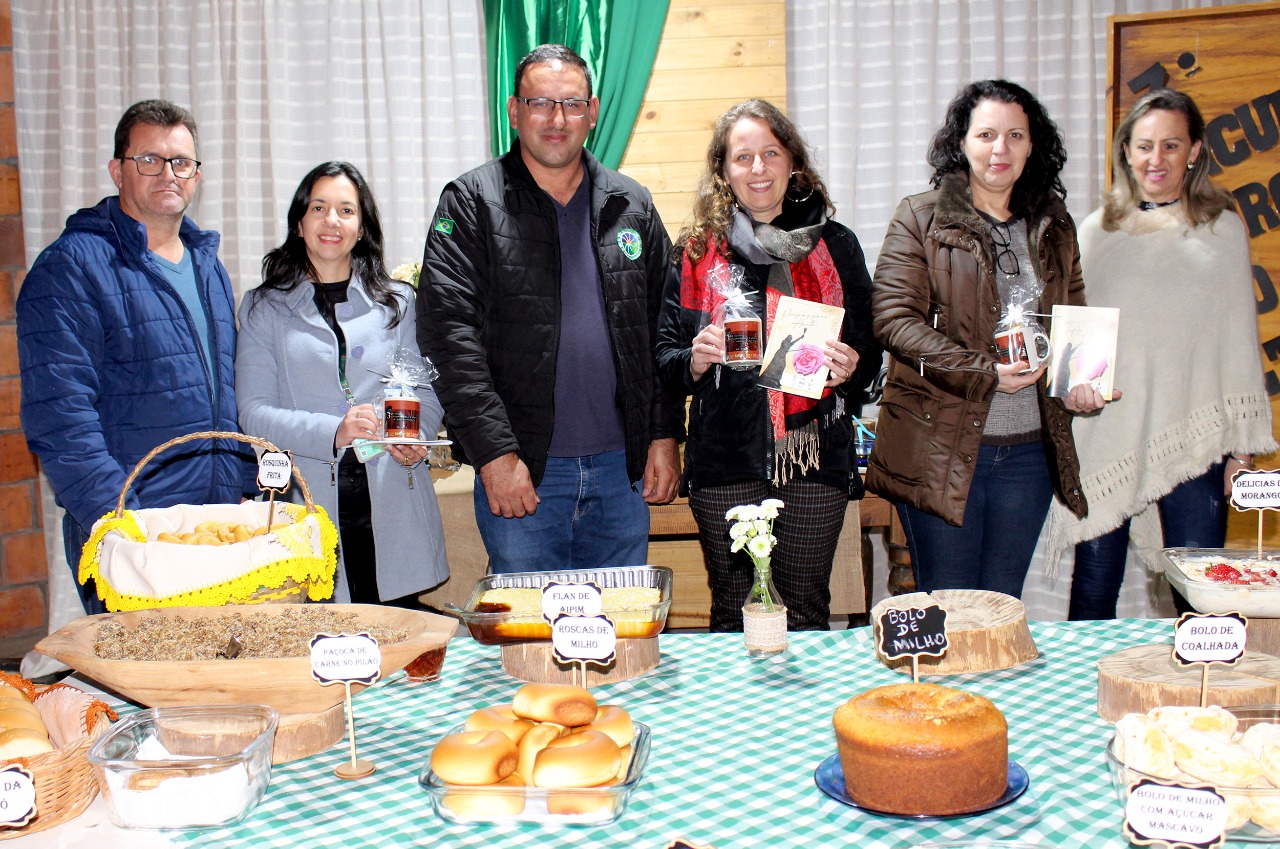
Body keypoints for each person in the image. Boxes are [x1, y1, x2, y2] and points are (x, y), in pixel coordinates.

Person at [417, 43, 684, 573]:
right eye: (540, 103)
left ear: (594, 111)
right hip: (524, 471)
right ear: (514, 111)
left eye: (572, 104)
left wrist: (663, 434)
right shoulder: (470, 202)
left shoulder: (632, 203)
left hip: (622, 473)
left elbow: (662, 330)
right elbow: (449, 335)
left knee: (622, 636)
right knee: (528, 643)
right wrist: (494, 454)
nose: (557, 119)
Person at [866, 79, 1106, 598]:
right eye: (987, 134)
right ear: (962, 143)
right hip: (940, 448)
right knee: (952, 607)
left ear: (1032, 145)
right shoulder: (921, 216)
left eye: (1015, 135)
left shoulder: (1054, 223)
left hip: (1028, 455)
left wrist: (1082, 379)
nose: (1001, 149)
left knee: (1002, 608)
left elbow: (1074, 318)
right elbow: (892, 320)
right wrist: (986, 374)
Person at [17, 99, 256, 615]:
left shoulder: (207, 266)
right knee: (145, 690)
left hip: (210, 532)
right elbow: (60, 418)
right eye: (149, 159)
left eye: (181, 162)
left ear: (196, 175)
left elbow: (223, 393)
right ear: (117, 170)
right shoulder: (70, 269)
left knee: (214, 687)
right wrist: (120, 524)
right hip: (133, 538)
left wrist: (240, 489)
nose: (168, 174)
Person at [1045, 89, 1276, 619]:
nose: (1156, 159)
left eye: (1171, 145)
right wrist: (1074, 392)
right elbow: (1075, 334)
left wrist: (1242, 454)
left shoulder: (1224, 230)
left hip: (1195, 436)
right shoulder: (1096, 232)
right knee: (1095, 582)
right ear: (1125, 151)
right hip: (1108, 431)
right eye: (1144, 145)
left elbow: (1238, 342)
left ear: (1194, 151)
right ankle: (1087, 694)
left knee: (1200, 586)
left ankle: (1206, 698)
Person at [655, 99, 881, 632]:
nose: (758, 169)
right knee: (736, 610)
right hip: (724, 461)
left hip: (814, 458)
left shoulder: (836, 244)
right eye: (743, 157)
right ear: (723, 170)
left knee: (803, 609)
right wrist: (694, 358)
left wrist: (853, 364)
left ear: (792, 161)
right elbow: (663, 358)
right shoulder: (693, 252)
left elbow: (871, 347)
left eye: (770, 154)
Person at [236, 161, 448, 605]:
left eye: (346, 210)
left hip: (393, 497)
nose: (332, 221)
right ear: (299, 222)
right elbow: (253, 414)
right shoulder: (262, 309)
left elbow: (425, 392)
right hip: (309, 501)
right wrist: (335, 430)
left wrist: (419, 436)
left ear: (362, 226)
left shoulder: (398, 302)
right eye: (319, 207)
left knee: (398, 638)